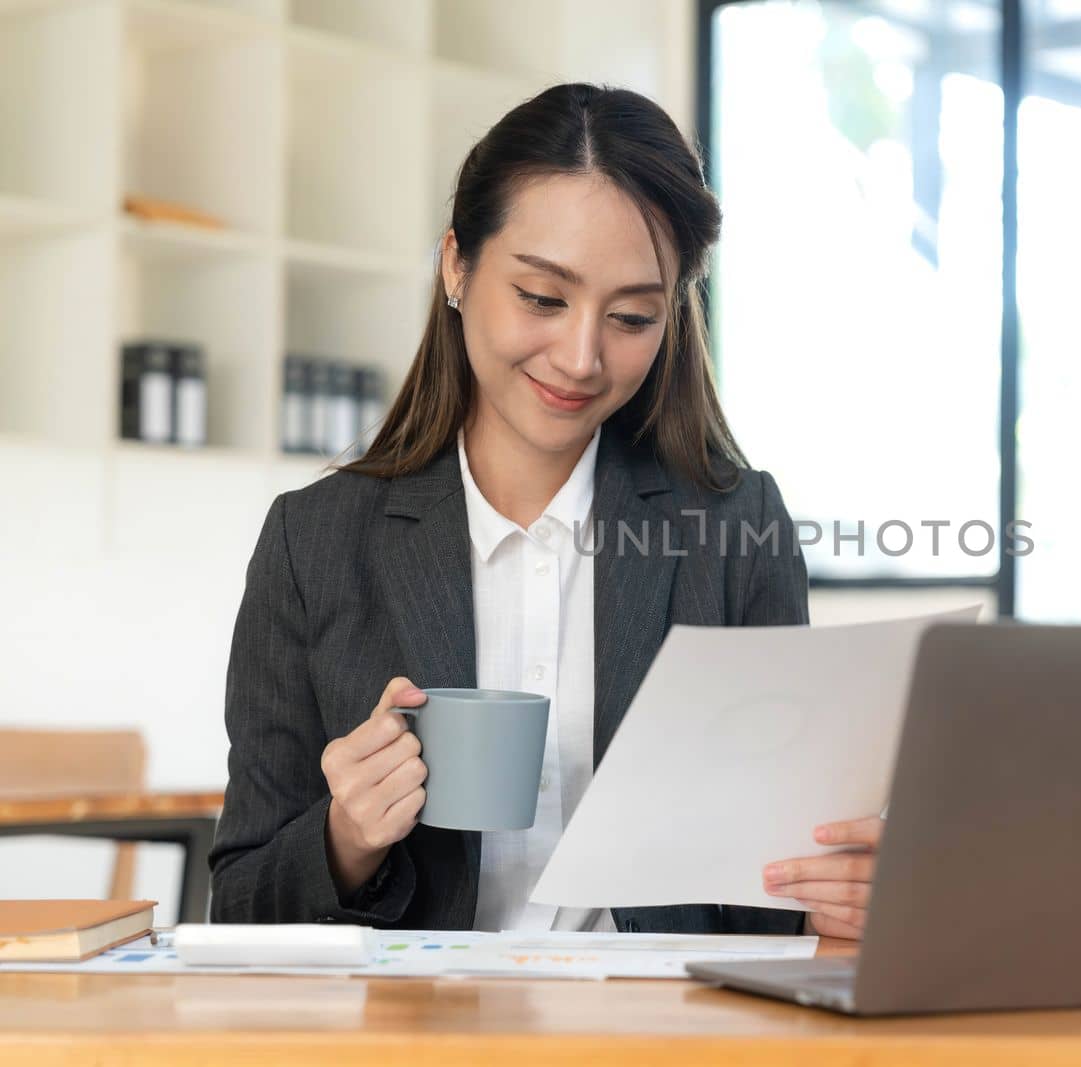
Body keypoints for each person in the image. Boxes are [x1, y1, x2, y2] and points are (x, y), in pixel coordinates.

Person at [208, 83, 881, 939]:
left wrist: (844, 888)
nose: (581, 356)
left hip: (663, 1033)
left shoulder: (733, 530)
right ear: (457, 264)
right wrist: (346, 837)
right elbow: (238, 906)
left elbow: (770, 899)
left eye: (633, 315)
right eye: (542, 297)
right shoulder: (315, 543)